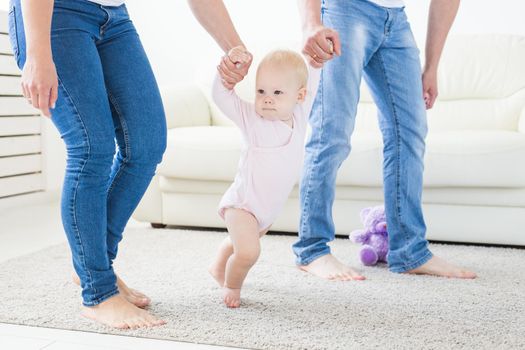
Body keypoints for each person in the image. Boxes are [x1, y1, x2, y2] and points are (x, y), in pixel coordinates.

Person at [6, 0, 256, 329]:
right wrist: (38, 53)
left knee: (146, 144)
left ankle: (95, 265)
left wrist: (234, 45)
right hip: (56, 13)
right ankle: (98, 291)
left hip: (115, 17)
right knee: (91, 147)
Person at [292, 0, 477, 280]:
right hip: (344, 10)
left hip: (396, 20)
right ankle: (312, 250)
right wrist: (311, 22)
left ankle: (410, 251)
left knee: (410, 133)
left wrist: (432, 66)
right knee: (332, 132)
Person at [209, 47, 321, 308]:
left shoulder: (301, 115)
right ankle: (232, 285)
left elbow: (313, 78)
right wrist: (227, 74)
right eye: (261, 91)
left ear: (299, 96)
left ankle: (217, 267)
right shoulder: (251, 117)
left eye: (278, 92)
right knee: (248, 252)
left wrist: (316, 61)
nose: (267, 99)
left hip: (266, 211)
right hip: (243, 204)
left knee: (241, 242)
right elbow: (221, 97)